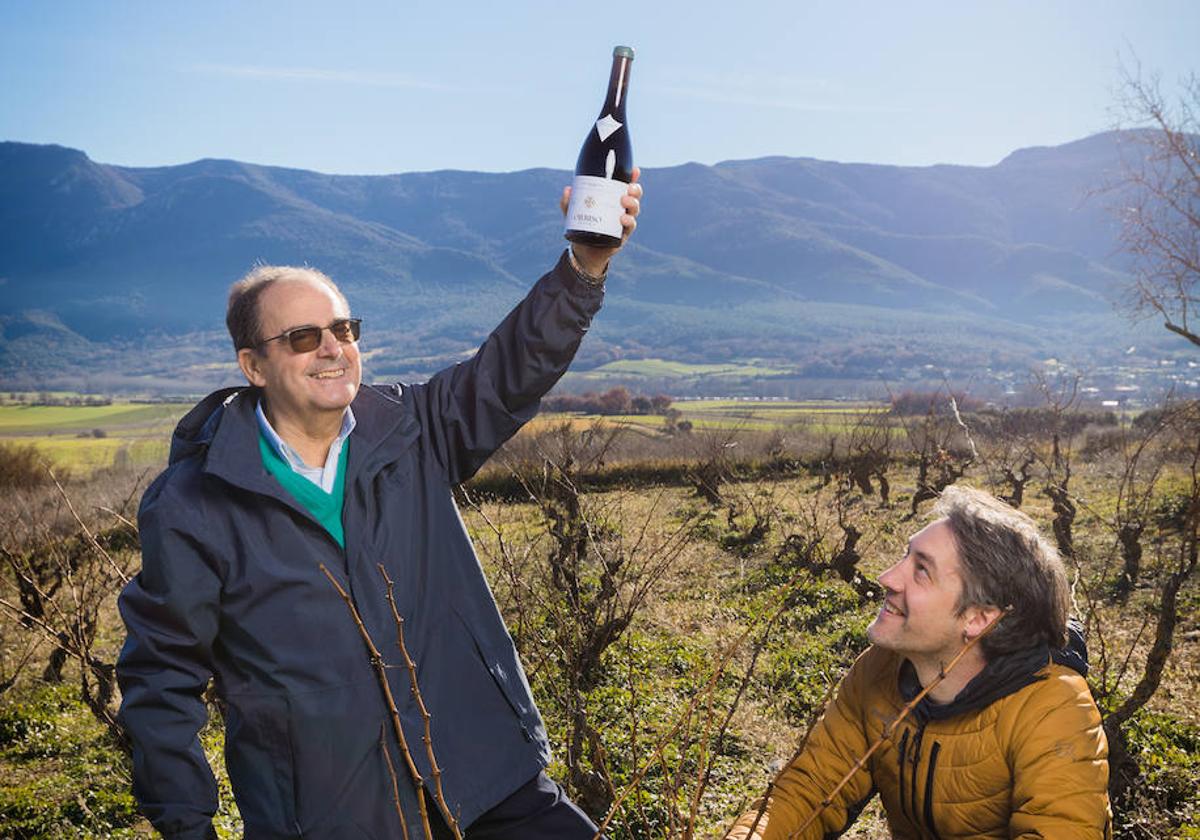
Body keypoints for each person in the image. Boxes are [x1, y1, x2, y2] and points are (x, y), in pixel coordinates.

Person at [116, 173, 642, 840]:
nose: (334, 348)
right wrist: (188, 829)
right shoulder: (195, 505)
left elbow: (513, 369)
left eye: (343, 328)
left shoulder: (410, 428)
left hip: (488, 781)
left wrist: (584, 267)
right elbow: (161, 681)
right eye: (304, 338)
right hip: (337, 819)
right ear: (253, 365)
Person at [726, 485, 1112, 839]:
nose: (887, 578)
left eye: (921, 570)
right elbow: (810, 790)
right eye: (904, 557)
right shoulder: (878, 670)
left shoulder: (1054, 707)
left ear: (978, 618)